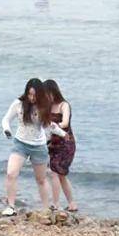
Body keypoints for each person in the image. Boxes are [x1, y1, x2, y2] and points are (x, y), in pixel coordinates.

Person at [1, 79, 53, 218]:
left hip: (39, 146)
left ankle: (46, 209)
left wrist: (62, 133)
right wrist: (7, 130)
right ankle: (11, 206)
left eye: (35, 95)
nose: (32, 98)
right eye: (29, 94)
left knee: (41, 179)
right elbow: (6, 119)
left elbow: (49, 125)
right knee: (11, 173)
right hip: (21, 144)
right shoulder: (18, 104)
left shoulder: (44, 105)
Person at [44, 78, 77, 212]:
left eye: (47, 94)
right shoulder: (47, 107)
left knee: (55, 172)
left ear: (53, 92)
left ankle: (56, 204)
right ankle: (72, 204)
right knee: (60, 175)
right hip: (52, 144)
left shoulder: (64, 105)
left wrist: (53, 126)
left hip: (66, 143)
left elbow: (65, 123)